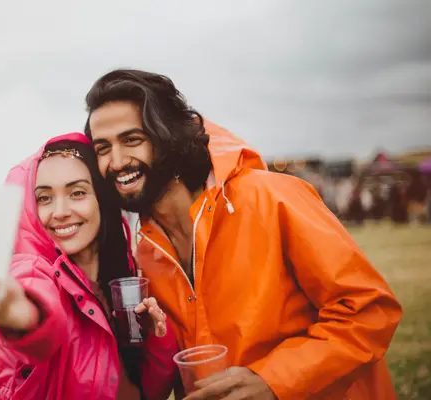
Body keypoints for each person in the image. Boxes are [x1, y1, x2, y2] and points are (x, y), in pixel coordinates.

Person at [83, 69, 403, 400]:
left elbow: (369, 310)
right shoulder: (145, 254)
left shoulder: (270, 197)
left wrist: (273, 380)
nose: (116, 161)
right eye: (102, 148)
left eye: (132, 140)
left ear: (168, 137)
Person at [0, 132, 179, 400]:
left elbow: (150, 393)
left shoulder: (124, 279)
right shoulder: (33, 270)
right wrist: (22, 315)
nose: (60, 211)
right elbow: (37, 306)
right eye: (44, 198)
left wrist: (155, 339)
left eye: (77, 192)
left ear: (102, 200)